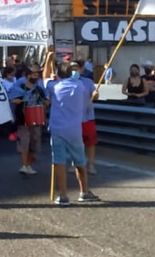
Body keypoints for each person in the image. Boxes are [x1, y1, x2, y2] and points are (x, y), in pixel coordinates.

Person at [49, 63, 100, 206]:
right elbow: (85, 102)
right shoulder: (80, 86)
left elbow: (45, 77)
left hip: (57, 129)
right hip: (75, 130)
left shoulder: (54, 86)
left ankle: (63, 195)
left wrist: (48, 60)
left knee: (59, 161)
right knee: (80, 162)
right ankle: (84, 191)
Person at [9, 70, 48, 175]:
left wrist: (46, 102)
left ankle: (28, 164)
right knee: (24, 142)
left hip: (36, 119)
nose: (36, 77)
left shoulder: (39, 89)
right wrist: (15, 101)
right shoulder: (19, 88)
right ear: (27, 76)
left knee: (34, 142)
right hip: (23, 120)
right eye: (34, 75)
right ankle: (24, 165)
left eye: (37, 76)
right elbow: (10, 99)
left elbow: (45, 101)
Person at [71, 62, 99, 176]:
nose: (74, 71)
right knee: (74, 142)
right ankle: (74, 164)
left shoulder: (88, 82)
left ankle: (91, 164)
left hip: (87, 116)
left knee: (90, 142)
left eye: (76, 68)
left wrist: (95, 94)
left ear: (82, 69)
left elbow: (95, 95)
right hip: (72, 117)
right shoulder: (66, 82)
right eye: (72, 69)